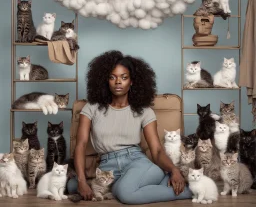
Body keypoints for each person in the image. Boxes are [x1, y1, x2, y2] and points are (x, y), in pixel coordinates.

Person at [67, 50, 192, 204]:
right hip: (108, 167)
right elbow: (81, 145)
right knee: (73, 185)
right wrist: (81, 181)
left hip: (137, 163)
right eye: (112, 77)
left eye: (124, 77)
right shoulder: (91, 108)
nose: (118, 82)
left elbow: (157, 150)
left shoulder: (144, 111)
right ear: (105, 80)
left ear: (132, 81)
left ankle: (190, 190)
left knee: (126, 194)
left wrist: (174, 170)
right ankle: (158, 184)